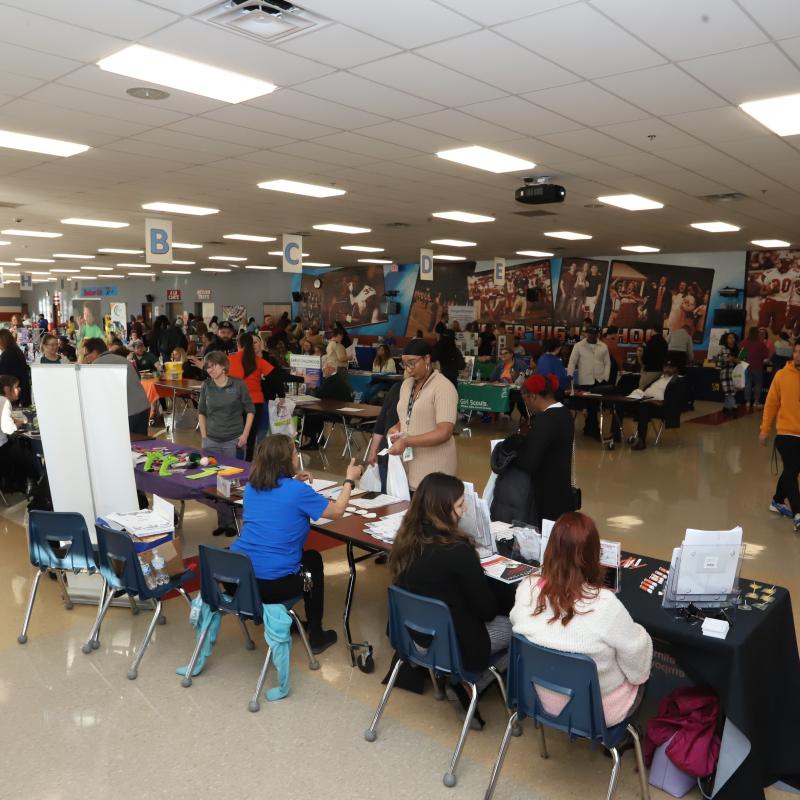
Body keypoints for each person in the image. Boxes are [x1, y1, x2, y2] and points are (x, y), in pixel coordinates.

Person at [511, 512, 652, 726]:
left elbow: (516, 623)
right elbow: (637, 665)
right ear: (594, 554)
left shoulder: (527, 588)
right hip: (595, 711)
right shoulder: (605, 604)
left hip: (537, 697)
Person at [390, 472, 513, 716]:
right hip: (454, 646)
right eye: (459, 504)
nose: (465, 509)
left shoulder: (405, 542)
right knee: (519, 625)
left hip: (414, 637)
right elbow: (486, 611)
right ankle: (472, 683)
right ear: (442, 510)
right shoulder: (458, 551)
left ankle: (456, 680)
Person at [231, 435, 362, 654]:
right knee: (313, 562)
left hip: (240, 577)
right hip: (272, 584)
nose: (297, 457)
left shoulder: (252, 487)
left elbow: (276, 502)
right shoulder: (297, 492)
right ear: (285, 460)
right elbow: (337, 511)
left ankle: (292, 622)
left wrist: (293, 480)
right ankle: (317, 634)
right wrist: (349, 480)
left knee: (306, 558)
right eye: (294, 453)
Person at [387, 340, 458, 492]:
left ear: (427, 359)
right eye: (404, 364)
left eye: (412, 363)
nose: (408, 369)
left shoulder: (443, 387)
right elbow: (408, 415)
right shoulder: (406, 385)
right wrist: (396, 428)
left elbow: (445, 432)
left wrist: (406, 442)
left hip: (434, 471)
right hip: (408, 466)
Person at [198, 351, 255, 536]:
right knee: (215, 483)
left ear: (224, 366)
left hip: (233, 440)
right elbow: (202, 412)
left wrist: (245, 435)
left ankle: (233, 523)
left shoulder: (237, 384)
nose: (210, 369)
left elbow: (250, 410)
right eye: (207, 367)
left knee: (232, 483)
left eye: (213, 365)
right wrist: (205, 437)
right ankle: (222, 522)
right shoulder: (206, 385)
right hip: (212, 441)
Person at [513, 374, 575, 525]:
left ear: (533, 396)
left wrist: (516, 451)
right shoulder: (565, 413)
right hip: (561, 488)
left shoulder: (545, 420)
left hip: (546, 493)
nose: (526, 404)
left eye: (525, 399)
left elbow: (529, 462)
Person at [760, 341, 800, 531]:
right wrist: (764, 429)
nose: (798, 355)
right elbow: (771, 404)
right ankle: (798, 513)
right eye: (797, 351)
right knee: (792, 472)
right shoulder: (782, 375)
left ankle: (777, 500)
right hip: (786, 433)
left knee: (792, 471)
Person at [81, 338, 151, 435]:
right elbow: (138, 378)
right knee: (142, 444)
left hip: (128, 412)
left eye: (87, 354)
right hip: (143, 407)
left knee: (127, 446)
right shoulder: (123, 359)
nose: (87, 358)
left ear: (95, 352)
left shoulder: (96, 365)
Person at [227, 332, 274, 461]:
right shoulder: (258, 361)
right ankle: (248, 464)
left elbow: (216, 374)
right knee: (251, 436)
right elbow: (277, 376)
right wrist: (302, 378)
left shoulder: (230, 360)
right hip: (256, 402)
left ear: (238, 344)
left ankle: (236, 462)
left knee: (236, 434)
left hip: (236, 402)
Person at [624, 360, 680, 450]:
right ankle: (615, 435)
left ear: (675, 369)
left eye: (670, 367)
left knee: (643, 408)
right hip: (645, 400)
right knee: (620, 404)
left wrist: (652, 401)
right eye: (665, 367)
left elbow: (672, 401)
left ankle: (641, 440)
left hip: (660, 407)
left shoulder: (676, 381)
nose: (667, 369)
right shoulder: (659, 377)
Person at [300, 358, 354, 449]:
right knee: (315, 414)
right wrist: (315, 389)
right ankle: (319, 439)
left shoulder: (331, 380)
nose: (322, 371)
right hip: (339, 410)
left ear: (330, 369)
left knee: (309, 415)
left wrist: (311, 390)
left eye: (323, 369)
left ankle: (313, 443)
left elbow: (318, 395)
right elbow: (323, 392)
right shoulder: (336, 379)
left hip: (338, 414)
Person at [567, 326, 610, 437]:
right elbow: (572, 362)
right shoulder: (579, 346)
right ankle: (593, 429)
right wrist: (570, 374)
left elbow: (607, 363)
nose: (591, 335)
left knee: (594, 406)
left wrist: (605, 377)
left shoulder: (603, 346)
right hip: (585, 380)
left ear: (598, 334)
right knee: (590, 406)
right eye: (589, 333)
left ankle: (590, 428)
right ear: (586, 334)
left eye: (594, 334)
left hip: (599, 380)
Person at [0, 374, 40, 492]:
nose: (20, 389)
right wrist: (21, 421)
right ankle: (31, 486)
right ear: (7, 389)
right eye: (17, 387)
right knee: (26, 452)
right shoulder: (4, 401)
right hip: (2, 450)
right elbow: (9, 429)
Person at [740, 326, 769, 411]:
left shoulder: (744, 342)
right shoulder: (761, 343)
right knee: (758, 384)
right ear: (757, 333)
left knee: (747, 384)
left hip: (747, 366)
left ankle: (748, 402)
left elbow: (742, 356)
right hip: (758, 367)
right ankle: (756, 402)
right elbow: (765, 356)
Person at [0, 329, 31, 406]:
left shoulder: (7, 354)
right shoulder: (16, 350)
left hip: (12, 391)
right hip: (20, 391)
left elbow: (4, 376)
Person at [716, 331, 739, 415]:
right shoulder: (722, 349)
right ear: (726, 340)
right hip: (725, 373)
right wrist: (726, 360)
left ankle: (726, 407)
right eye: (729, 338)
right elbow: (717, 362)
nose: (731, 339)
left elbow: (743, 361)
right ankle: (733, 406)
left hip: (736, 374)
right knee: (729, 391)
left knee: (732, 391)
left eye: (733, 337)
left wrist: (735, 360)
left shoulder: (739, 349)